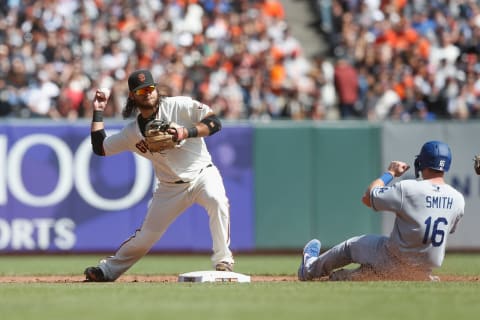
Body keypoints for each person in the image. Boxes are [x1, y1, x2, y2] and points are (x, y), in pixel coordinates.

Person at [84, 69, 234, 282]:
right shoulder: (131, 133)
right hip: (169, 188)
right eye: (140, 90)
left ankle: (224, 261)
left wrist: (186, 132)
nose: (147, 93)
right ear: (132, 96)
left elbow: (214, 122)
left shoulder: (178, 106)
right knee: (146, 237)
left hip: (202, 173)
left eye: (150, 88)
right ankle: (107, 270)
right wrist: (98, 110)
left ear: (156, 89)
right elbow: (100, 147)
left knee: (216, 200)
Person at [298, 140, 465, 281]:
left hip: (392, 258)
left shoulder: (409, 188)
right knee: (359, 275)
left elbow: (367, 197)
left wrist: (390, 173)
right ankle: (347, 277)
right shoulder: (458, 199)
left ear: (421, 163)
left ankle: (309, 268)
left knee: (351, 246)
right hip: (423, 271)